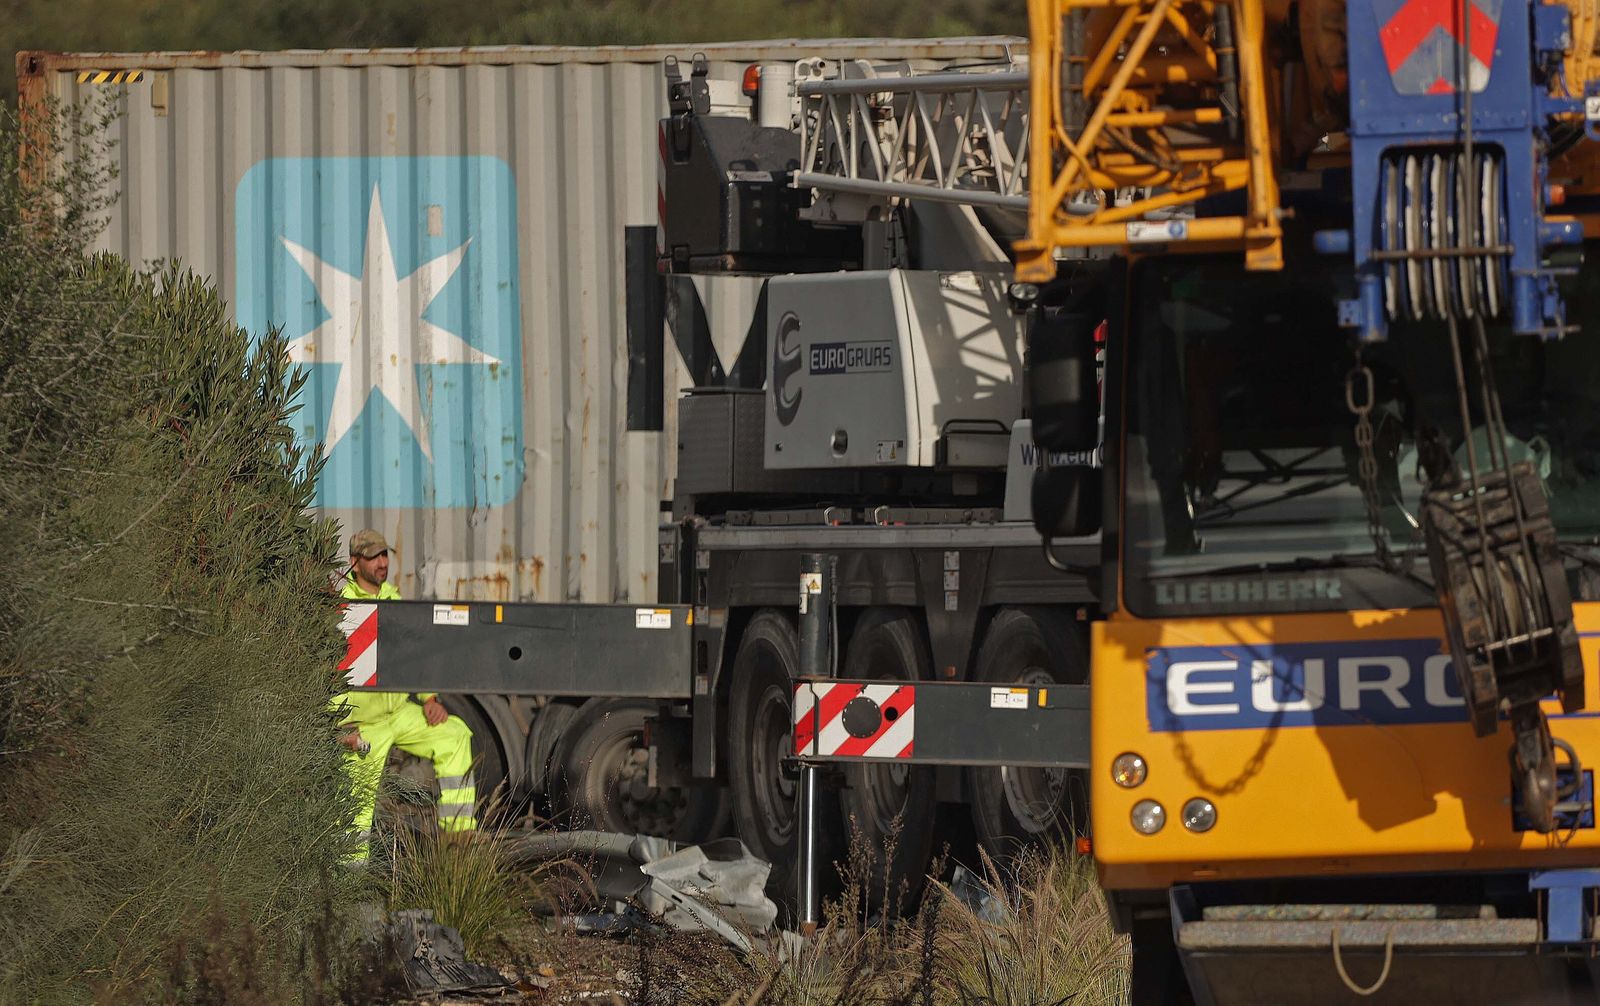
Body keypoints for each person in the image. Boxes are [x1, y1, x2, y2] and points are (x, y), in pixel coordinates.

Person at [337, 529, 478, 859]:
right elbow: (329, 670)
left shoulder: (393, 600)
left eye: (385, 555)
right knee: (354, 813)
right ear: (355, 563)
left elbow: (413, 657)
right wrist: (338, 725)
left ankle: (457, 844)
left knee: (455, 735)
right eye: (374, 557)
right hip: (361, 723)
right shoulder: (342, 606)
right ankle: (348, 888)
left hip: (400, 715)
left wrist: (429, 698)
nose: (383, 563)